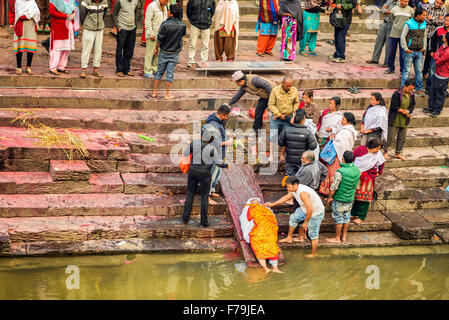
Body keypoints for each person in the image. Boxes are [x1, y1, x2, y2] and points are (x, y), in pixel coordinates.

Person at [181, 125, 230, 228]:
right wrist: (226, 165)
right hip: (205, 175)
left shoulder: (194, 143)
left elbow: (185, 153)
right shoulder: (212, 148)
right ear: (211, 137)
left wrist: (191, 146)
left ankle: (185, 218)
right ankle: (204, 222)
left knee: (190, 194)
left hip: (193, 172)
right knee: (204, 197)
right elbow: (218, 163)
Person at [265, 176, 325, 258]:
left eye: (289, 186)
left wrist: (306, 222)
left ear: (295, 185)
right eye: (287, 186)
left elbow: (310, 209)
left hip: (315, 212)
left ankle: (314, 254)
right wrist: (272, 204)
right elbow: (286, 198)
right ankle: (289, 238)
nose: (288, 189)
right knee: (293, 218)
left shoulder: (303, 193)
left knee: (313, 234)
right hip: (304, 209)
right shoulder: (293, 190)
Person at [151, 4, 187, 100]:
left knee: (159, 72)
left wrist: (156, 48)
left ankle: (154, 92)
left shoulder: (164, 24)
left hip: (164, 51)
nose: (167, 12)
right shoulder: (182, 26)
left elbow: (159, 39)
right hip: (174, 53)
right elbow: (182, 35)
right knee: (170, 73)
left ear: (171, 14)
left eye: (169, 11)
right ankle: (167, 94)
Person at [240, 198, 283, 274]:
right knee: (259, 247)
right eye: (253, 200)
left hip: (268, 230)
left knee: (271, 246)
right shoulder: (249, 208)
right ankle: (266, 268)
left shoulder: (265, 208)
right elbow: (245, 221)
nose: (255, 200)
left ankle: (275, 268)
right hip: (258, 230)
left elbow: (271, 218)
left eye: (256, 200)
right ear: (250, 203)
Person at [319, 111, 358, 196]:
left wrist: (333, 138)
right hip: (341, 155)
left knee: (332, 173)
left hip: (338, 156)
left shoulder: (345, 131)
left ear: (349, 122)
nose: (341, 121)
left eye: (343, 120)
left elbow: (340, 144)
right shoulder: (349, 130)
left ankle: (328, 192)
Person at [326, 150, 361, 244]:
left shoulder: (340, 171)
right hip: (350, 199)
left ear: (343, 159)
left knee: (339, 218)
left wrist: (330, 197)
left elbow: (334, 187)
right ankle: (344, 236)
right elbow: (357, 186)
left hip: (340, 199)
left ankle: (337, 238)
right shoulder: (357, 170)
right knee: (346, 217)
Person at [229, 70, 276, 140]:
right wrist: (229, 104)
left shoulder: (253, 80)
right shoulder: (244, 86)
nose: (237, 84)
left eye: (236, 83)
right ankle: (256, 131)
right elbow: (238, 95)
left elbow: (267, 85)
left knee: (276, 113)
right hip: (265, 96)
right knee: (258, 111)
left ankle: (276, 134)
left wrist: (271, 101)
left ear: (240, 81)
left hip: (274, 94)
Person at [351, 138, 386, 224]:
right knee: (355, 196)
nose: (378, 150)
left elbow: (382, 162)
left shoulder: (378, 154)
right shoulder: (359, 149)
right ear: (371, 146)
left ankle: (361, 216)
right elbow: (352, 158)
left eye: (379, 149)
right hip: (357, 176)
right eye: (377, 148)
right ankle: (353, 212)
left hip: (368, 178)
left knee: (364, 197)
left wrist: (379, 172)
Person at [205, 104, 233, 205]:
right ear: (221, 115)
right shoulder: (213, 124)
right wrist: (227, 142)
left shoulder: (219, 121)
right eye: (227, 116)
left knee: (217, 173)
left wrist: (226, 136)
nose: (227, 118)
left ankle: (212, 190)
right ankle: (206, 197)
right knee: (211, 175)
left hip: (219, 154)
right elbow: (213, 142)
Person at [267, 76, 299, 162]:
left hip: (287, 118)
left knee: (286, 137)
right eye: (287, 86)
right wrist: (278, 114)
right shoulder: (275, 90)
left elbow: (296, 102)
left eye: (290, 86)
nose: (289, 88)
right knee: (273, 135)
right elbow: (271, 104)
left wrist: (294, 112)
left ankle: (282, 155)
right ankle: (271, 154)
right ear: (282, 84)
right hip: (276, 117)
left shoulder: (294, 90)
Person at [279, 109, 318, 176]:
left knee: (291, 178)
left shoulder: (286, 130)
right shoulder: (307, 132)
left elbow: (280, 142)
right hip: (302, 160)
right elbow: (313, 146)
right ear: (303, 120)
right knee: (301, 179)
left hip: (290, 160)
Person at [384, 79, 416, 160]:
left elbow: (412, 104)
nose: (410, 91)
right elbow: (393, 106)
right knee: (390, 137)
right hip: (395, 119)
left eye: (412, 89)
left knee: (402, 137)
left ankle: (398, 152)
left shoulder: (412, 94)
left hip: (404, 120)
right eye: (409, 89)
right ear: (405, 86)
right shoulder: (397, 94)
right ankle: (385, 152)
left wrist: (408, 111)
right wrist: (403, 111)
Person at [400, 7, 427, 96]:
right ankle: (403, 89)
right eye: (423, 15)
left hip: (419, 52)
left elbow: (425, 37)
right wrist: (406, 49)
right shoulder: (408, 23)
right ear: (418, 15)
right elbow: (403, 37)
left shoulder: (424, 24)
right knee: (406, 71)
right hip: (409, 52)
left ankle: (419, 88)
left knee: (419, 71)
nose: (425, 17)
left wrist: (424, 47)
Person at [79, 0, 108, 78]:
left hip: (100, 29)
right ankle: (83, 70)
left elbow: (103, 14)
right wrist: (86, 24)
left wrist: (100, 23)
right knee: (86, 49)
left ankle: (95, 70)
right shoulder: (85, 2)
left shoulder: (104, 2)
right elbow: (82, 15)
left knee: (98, 50)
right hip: (89, 29)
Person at [112, 0, 140, 77]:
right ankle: (119, 70)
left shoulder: (136, 1)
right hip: (122, 29)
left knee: (129, 51)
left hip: (132, 29)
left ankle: (126, 69)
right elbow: (114, 14)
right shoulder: (120, 1)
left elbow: (135, 12)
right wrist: (118, 27)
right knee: (120, 50)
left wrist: (135, 24)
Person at [48, 0, 77, 75]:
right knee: (57, 48)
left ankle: (61, 66)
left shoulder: (71, 1)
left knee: (66, 48)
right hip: (58, 26)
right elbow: (52, 12)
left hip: (68, 25)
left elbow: (74, 11)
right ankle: (53, 67)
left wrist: (73, 15)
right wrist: (65, 15)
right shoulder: (55, 1)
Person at [385, 0, 414, 75]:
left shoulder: (411, 10)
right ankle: (391, 68)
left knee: (403, 54)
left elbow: (412, 21)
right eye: (405, 1)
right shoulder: (394, 9)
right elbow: (392, 20)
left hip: (404, 36)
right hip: (394, 34)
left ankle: (402, 70)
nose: (406, 3)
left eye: (407, 1)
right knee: (391, 52)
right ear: (400, 1)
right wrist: (397, 26)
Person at [366, 0, 398, 66]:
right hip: (385, 22)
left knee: (389, 44)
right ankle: (375, 59)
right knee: (379, 40)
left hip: (393, 24)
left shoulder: (400, 3)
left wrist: (388, 11)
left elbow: (395, 14)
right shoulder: (390, 1)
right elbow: (383, 9)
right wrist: (388, 11)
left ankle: (387, 63)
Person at [422, 0, 446, 89]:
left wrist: (431, 19)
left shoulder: (443, 9)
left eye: (440, 3)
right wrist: (436, 20)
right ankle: (425, 72)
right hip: (428, 34)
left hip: (438, 36)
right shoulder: (428, 7)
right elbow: (424, 20)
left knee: (435, 55)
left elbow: (443, 22)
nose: (438, 5)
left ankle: (430, 73)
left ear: (443, 3)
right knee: (428, 54)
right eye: (437, 2)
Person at [425, 31, 449, 116]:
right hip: (437, 73)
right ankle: (430, 107)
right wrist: (437, 56)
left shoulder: (447, 51)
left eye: (445, 36)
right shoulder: (442, 46)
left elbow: (438, 61)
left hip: (443, 76)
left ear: (446, 39)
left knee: (440, 94)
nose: (443, 36)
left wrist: (436, 56)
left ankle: (437, 110)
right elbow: (436, 53)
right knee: (432, 91)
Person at [14, 0, 40, 75]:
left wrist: (28, 15)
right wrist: (28, 15)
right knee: (20, 47)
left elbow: (37, 13)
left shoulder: (32, 2)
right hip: (21, 25)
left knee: (30, 46)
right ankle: (19, 67)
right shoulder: (18, 2)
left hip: (31, 24)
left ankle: (28, 67)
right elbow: (19, 14)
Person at [186, 0, 216, 66]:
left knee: (205, 44)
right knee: (192, 43)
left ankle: (204, 60)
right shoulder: (192, 0)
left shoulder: (211, 1)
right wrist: (192, 20)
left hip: (206, 25)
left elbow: (212, 12)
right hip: (195, 24)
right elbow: (188, 12)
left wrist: (207, 19)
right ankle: (191, 60)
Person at [425, 13, 449, 93]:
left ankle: (443, 90)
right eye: (445, 20)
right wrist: (431, 51)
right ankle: (429, 89)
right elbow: (431, 40)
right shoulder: (439, 29)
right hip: (436, 56)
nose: (446, 22)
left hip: (446, 57)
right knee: (432, 71)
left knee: (444, 74)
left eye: (448, 21)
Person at [144, 0, 168, 79]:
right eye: (165, 0)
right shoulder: (152, 6)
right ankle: (147, 71)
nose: (166, 2)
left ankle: (155, 69)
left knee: (158, 54)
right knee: (150, 54)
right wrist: (151, 33)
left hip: (161, 36)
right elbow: (147, 21)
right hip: (152, 35)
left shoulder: (165, 7)